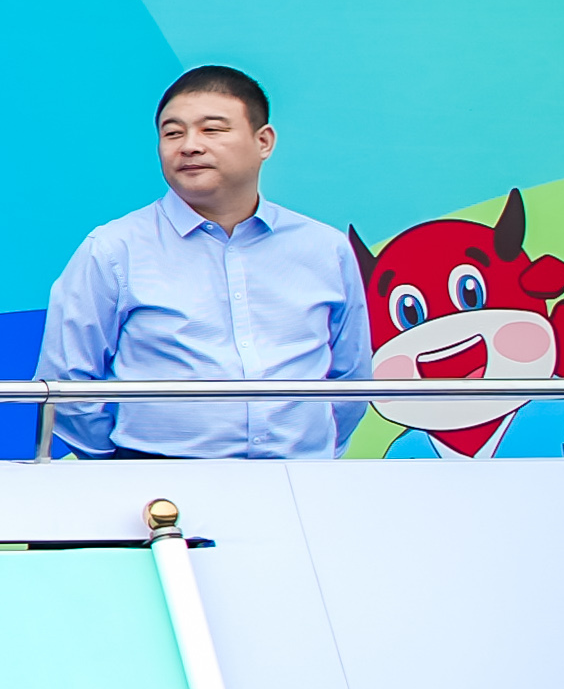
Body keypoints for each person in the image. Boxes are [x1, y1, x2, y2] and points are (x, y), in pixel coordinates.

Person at [36, 64, 371, 460]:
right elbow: (66, 383)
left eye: (211, 129)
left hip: (300, 475)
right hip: (159, 478)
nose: (190, 146)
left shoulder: (324, 248)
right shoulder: (114, 249)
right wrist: (119, 467)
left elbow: (350, 380)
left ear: (263, 141)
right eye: (173, 133)